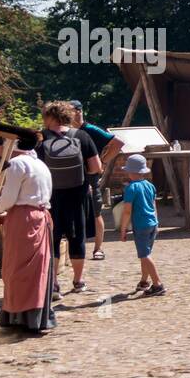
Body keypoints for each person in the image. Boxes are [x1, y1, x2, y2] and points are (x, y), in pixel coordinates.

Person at [37, 100, 101, 298]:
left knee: (52, 239)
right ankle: (78, 281)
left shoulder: (41, 139)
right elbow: (96, 167)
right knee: (77, 237)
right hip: (77, 194)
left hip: (51, 196)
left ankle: (54, 284)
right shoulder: (82, 136)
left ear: (49, 117)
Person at [0, 132, 55, 332]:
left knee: (18, 268)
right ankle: (28, 316)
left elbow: (9, 198)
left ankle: (21, 317)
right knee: (35, 269)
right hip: (39, 216)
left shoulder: (17, 164)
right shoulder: (41, 164)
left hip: (25, 220)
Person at [69, 100, 122, 260]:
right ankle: (75, 246)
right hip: (71, 177)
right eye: (73, 111)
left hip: (90, 176)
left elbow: (117, 143)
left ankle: (98, 248)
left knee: (96, 211)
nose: (76, 113)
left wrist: (104, 161)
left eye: (78, 110)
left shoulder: (90, 129)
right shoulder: (66, 131)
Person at [116, 154, 165, 296]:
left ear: (130, 172)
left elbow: (127, 211)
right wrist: (157, 221)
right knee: (146, 253)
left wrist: (123, 229)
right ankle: (144, 281)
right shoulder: (150, 185)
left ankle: (158, 284)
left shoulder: (131, 188)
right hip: (152, 223)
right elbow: (153, 204)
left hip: (141, 225)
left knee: (144, 255)